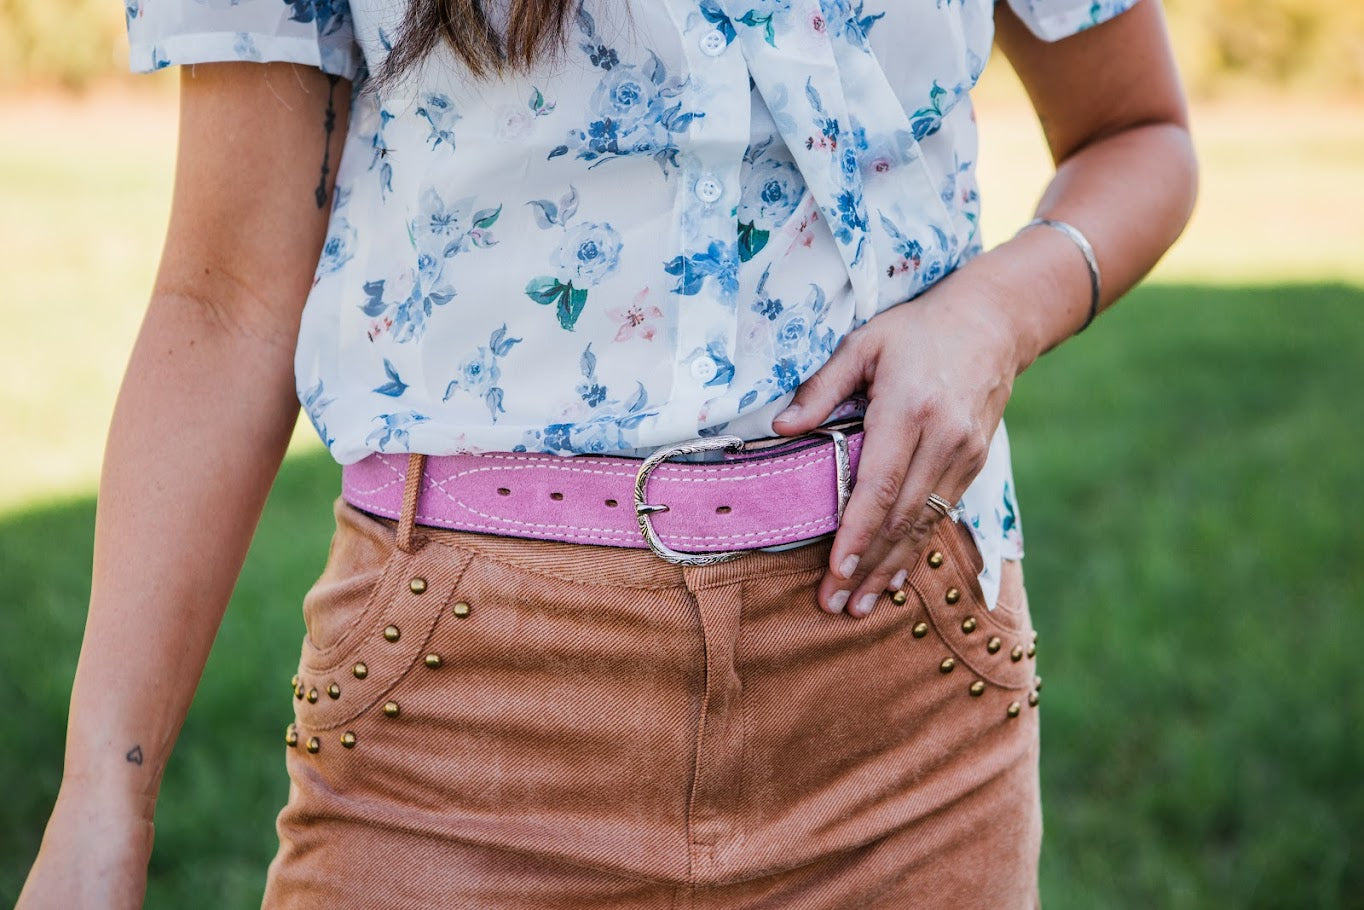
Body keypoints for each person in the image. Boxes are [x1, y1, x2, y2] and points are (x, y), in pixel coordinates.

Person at [19, 0, 1195, 905]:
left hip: (902, 705)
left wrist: (992, 314)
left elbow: (1137, 133)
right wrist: (101, 801)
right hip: (457, 715)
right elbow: (227, 297)